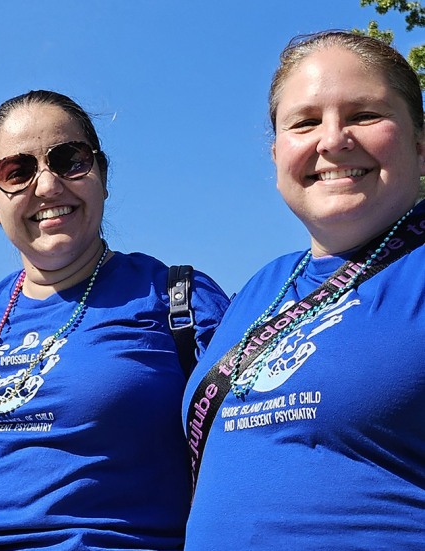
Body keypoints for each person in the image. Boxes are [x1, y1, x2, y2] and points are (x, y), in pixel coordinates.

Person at [0, 90, 231, 550]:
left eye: (69, 160)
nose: (48, 186)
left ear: (102, 175)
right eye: (16, 172)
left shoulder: (178, 300)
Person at [183, 31, 425, 549]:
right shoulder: (260, 289)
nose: (333, 140)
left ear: (421, 148)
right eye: (305, 122)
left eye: (364, 115)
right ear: (276, 158)